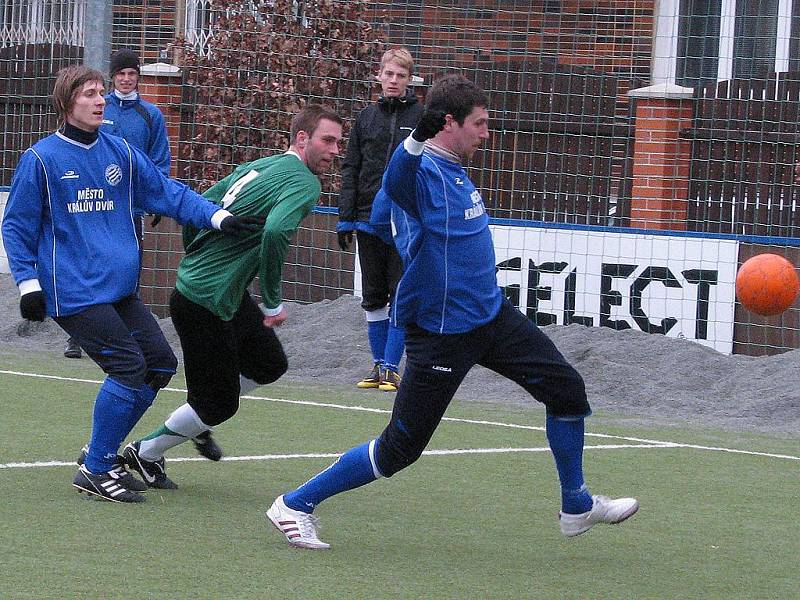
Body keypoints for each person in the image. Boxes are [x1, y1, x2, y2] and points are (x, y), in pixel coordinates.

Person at [266, 75, 639, 549]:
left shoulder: (455, 168)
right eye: (479, 124)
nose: (487, 133)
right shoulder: (417, 174)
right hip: (442, 331)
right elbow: (396, 181)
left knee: (567, 391)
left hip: (490, 317)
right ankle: (295, 504)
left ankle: (577, 504)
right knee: (399, 449)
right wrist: (415, 141)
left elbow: (386, 220)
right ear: (447, 123)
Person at [1, 65, 262, 503]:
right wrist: (27, 284)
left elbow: (168, 192)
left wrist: (219, 217)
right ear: (67, 103)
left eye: (102, 92)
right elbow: (17, 228)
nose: (100, 100)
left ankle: (97, 455)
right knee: (127, 367)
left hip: (118, 289)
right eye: (89, 94)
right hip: (74, 291)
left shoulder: (120, 152)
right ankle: (98, 467)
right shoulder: (42, 159)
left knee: (159, 365)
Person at [122, 105, 344, 490]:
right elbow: (276, 233)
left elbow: (205, 202)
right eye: (328, 140)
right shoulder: (306, 184)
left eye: (339, 142)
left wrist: (195, 252)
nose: (335, 149)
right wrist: (272, 302)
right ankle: (145, 453)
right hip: (203, 302)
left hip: (218, 294)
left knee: (269, 363)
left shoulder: (266, 165)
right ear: (302, 139)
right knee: (219, 404)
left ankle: (196, 420)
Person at [63, 48, 172, 360]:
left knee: (127, 269)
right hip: (92, 207)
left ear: (138, 77)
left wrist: (157, 199)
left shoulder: (151, 115)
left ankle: (129, 335)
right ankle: (78, 335)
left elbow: (159, 162)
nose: (126, 79)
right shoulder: (96, 107)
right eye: (121, 74)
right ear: (113, 77)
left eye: (132, 74)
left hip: (130, 209)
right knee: (88, 266)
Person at [336, 47, 423, 392]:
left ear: (409, 80)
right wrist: (346, 217)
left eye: (401, 76)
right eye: (389, 74)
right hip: (366, 220)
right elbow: (351, 168)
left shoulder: (421, 117)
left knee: (400, 293)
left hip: (404, 223)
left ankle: (392, 366)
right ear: (379, 76)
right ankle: (378, 366)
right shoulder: (365, 118)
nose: (393, 81)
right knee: (373, 295)